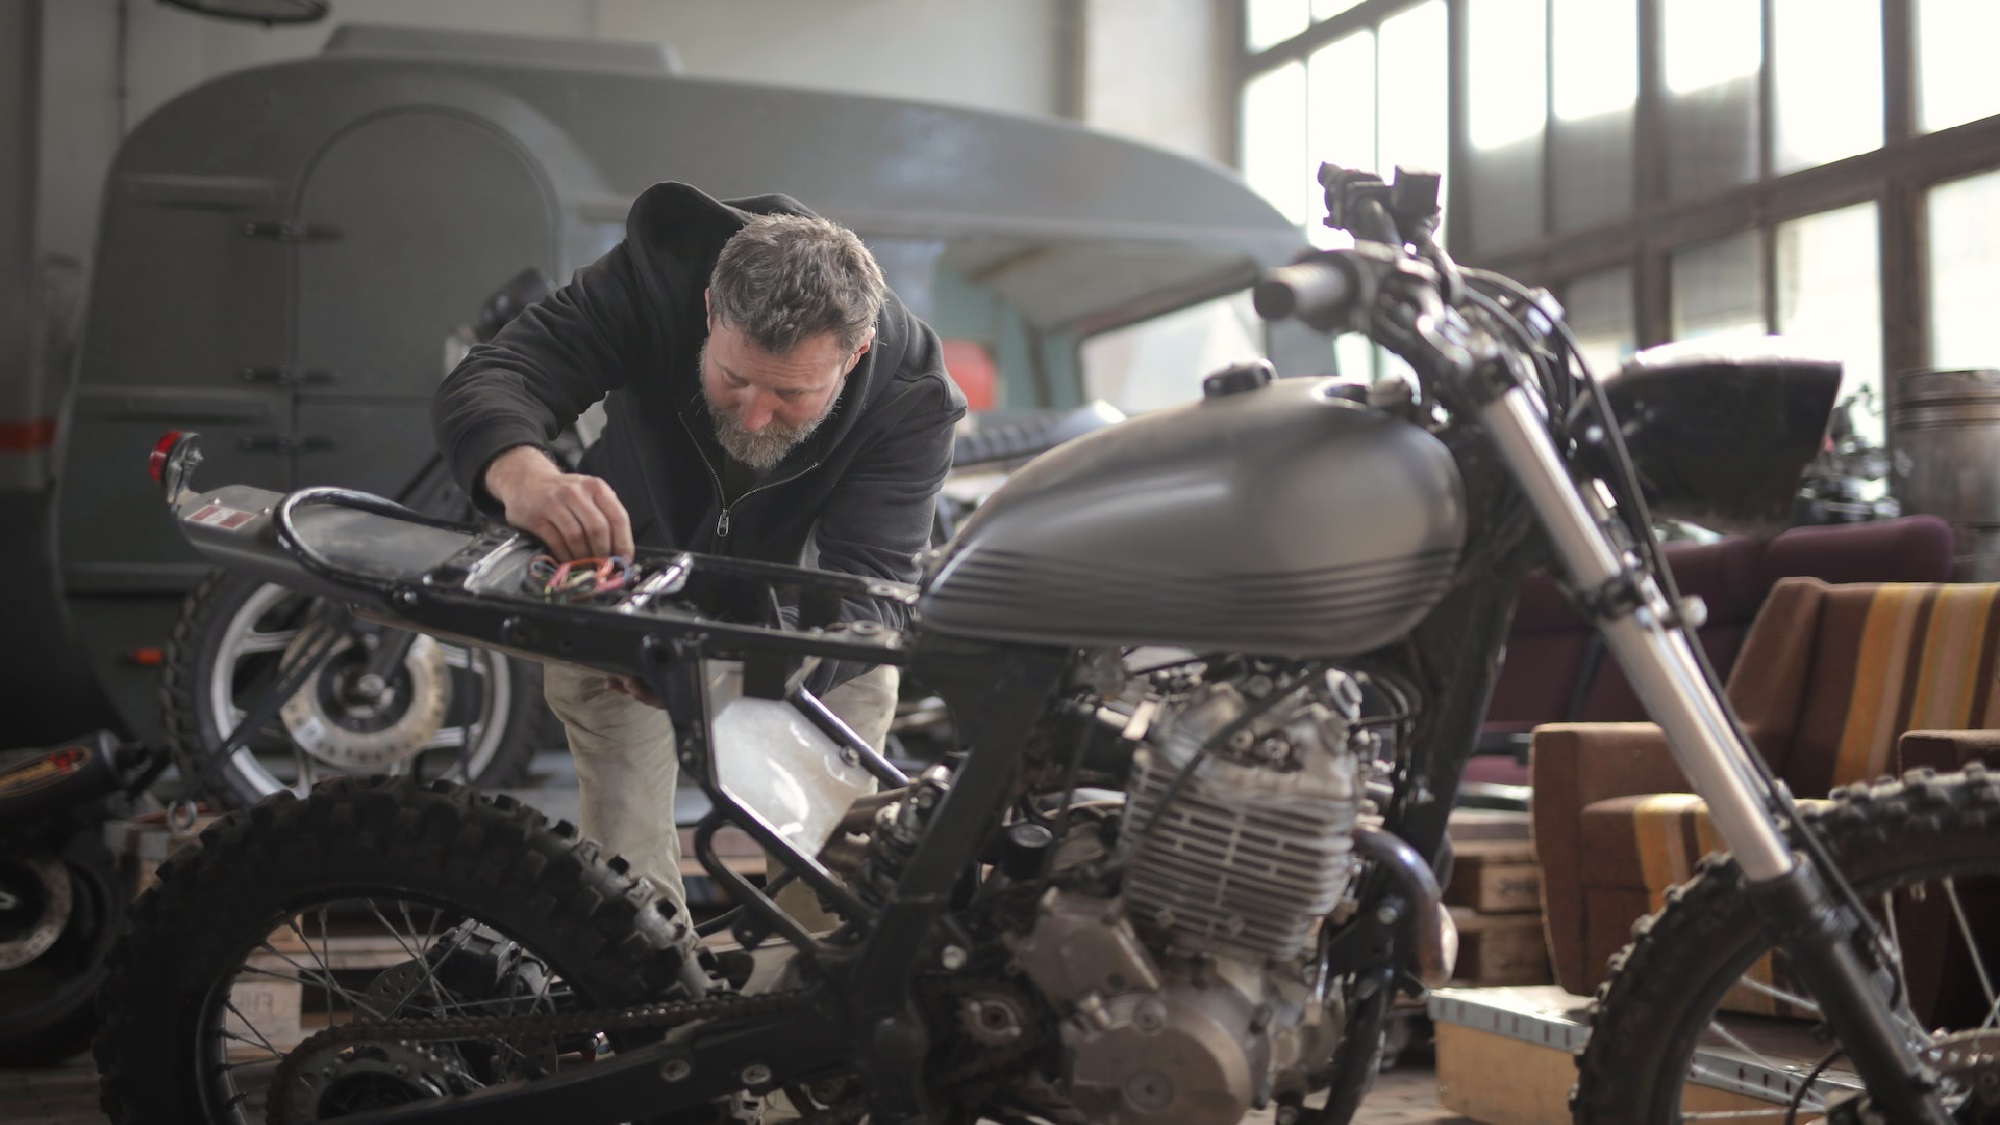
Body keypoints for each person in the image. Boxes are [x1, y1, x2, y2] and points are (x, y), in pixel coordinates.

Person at [433, 182, 965, 922]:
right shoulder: (657, 279)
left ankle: (805, 984)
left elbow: (869, 591)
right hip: (626, 589)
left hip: (812, 635)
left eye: (792, 394)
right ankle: (639, 972)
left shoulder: (912, 393)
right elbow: (500, 374)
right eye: (733, 377)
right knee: (621, 872)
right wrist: (526, 476)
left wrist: (732, 666)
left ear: (857, 355)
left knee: (829, 869)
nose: (754, 415)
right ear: (710, 311)